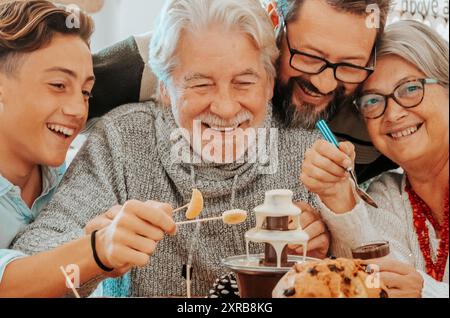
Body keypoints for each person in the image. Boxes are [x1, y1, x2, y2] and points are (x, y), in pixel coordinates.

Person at [11, 0, 331, 297]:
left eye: (244, 82)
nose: (224, 107)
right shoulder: (123, 140)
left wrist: (328, 249)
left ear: (271, 82)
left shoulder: (306, 147)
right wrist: (94, 253)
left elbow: (359, 262)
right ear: (164, 88)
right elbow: (34, 259)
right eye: (201, 83)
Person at [87, 0, 396, 183]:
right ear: (275, 21)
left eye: (350, 65)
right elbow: (48, 96)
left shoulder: (381, 114)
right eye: (310, 57)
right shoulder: (173, 53)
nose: (325, 85)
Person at [0, 0, 175, 298]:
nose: (78, 109)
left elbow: (169, 59)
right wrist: (95, 249)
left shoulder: (68, 176)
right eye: (58, 85)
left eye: (86, 92)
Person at [301, 20, 449, 298]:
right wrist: (339, 197)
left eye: (410, 89)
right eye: (372, 101)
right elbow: (378, 278)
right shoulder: (387, 195)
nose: (392, 114)